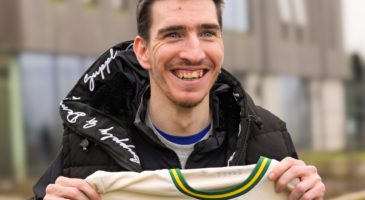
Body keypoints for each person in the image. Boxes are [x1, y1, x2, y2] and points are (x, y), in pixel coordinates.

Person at [32, 0, 325, 199]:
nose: (194, 53)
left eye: (207, 33)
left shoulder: (269, 140)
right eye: (173, 34)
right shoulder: (87, 149)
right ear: (143, 51)